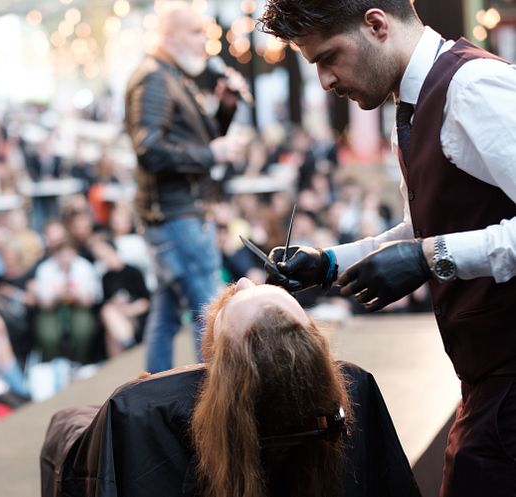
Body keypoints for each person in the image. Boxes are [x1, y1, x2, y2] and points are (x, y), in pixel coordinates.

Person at [259, 2, 516, 495]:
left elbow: (427, 243)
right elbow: (420, 228)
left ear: (376, 24)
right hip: (489, 380)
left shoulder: (472, 87)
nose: (326, 82)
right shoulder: (416, 103)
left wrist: (429, 257)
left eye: (328, 57)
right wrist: (329, 263)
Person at [41, 280, 421, 497]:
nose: (243, 281)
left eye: (239, 297)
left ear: (218, 366)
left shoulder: (139, 408)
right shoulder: (353, 390)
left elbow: (77, 455)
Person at [124, 0, 246, 373]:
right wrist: (212, 154)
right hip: (176, 216)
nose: (202, 42)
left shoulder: (171, 77)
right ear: (170, 35)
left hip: (177, 213)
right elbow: (150, 150)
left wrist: (225, 109)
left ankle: (150, 390)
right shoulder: (155, 79)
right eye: (195, 33)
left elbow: (192, 139)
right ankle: (216, 403)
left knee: (165, 315)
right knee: (209, 314)